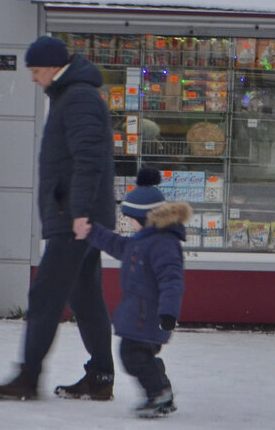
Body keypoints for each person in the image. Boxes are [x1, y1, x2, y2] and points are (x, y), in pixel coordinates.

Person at [0, 35, 117, 401]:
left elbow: (88, 159)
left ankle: (28, 377)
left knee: (46, 295)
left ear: (52, 67)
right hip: (76, 214)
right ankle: (101, 378)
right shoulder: (71, 95)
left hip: (74, 217)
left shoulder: (78, 98)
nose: (33, 77)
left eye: (35, 70)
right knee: (86, 298)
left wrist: (80, 213)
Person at [77, 167, 189, 419]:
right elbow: (116, 245)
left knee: (131, 356)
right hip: (141, 316)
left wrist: (168, 313)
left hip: (150, 317)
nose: (129, 223)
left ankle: (158, 394)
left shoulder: (163, 244)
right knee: (142, 356)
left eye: (131, 218)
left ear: (145, 217)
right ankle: (162, 391)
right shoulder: (143, 241)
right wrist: (92, 231)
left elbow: (172, 280)